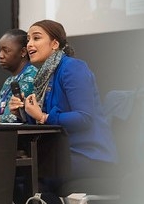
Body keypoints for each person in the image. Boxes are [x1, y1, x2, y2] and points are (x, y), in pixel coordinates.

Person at [9, 20, 117, 185]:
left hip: (88, 154)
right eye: (28, 40)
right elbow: (42, 123)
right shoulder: (44, 77)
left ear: (54, 43)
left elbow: (84, 118)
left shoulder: (72, 68)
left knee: (28, 175)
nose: (29, 44)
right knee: (11, 172)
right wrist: (23, 113)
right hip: (61, 153)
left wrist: (44, 117)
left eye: (36, 38)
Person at [0, 29, 37, 123]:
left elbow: (9, 118)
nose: (0, 55)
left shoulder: (30, 76)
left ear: (23, 52)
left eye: (6, 51)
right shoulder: (9, 80)